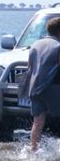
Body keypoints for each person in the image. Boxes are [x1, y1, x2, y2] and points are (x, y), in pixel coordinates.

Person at [24, 17, 60, 151]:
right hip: (53, 88)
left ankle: (34, 150)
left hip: (34, 88)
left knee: (38, 122)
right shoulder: (58, 46)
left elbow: (30, 66)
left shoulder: (35, 44)